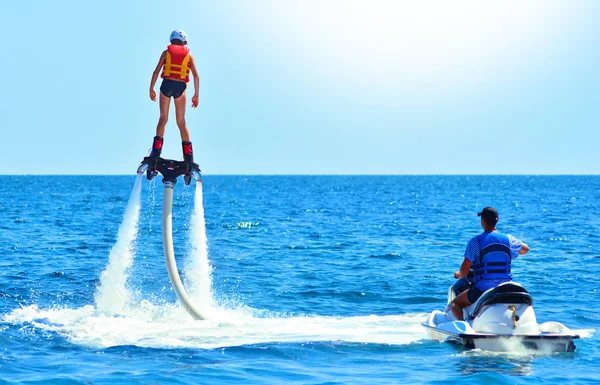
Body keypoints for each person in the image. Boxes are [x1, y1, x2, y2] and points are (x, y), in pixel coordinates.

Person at [450, 207, 530, 321]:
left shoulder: (475, 242)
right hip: (505, 287)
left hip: (483, 289)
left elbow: (463, 272)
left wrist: (459, 275)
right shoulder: (508, 239)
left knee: (455, 303)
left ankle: (464, 326)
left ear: (482, 221)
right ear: (497, 221)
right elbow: (525, 249)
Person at [148, 29, 200, 163]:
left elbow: (156, 72)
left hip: (166, 85)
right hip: (180, 87)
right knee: (181, 122)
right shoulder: (189, 55)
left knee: (163, 118)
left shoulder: (166, 53)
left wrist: (151, 88)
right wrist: (196, 95)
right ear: (184, 42)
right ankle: (188, 156)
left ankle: (156, 152)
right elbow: (196, 75)